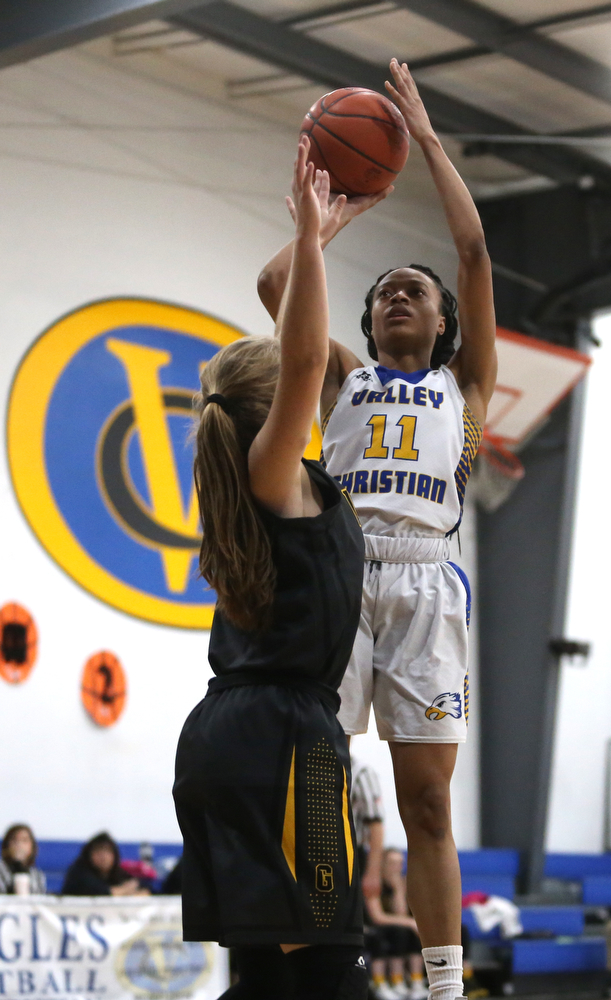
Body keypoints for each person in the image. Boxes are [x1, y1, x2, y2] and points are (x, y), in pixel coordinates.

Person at [257, 60, 497, 1000]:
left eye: (416, 291)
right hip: (343, 573)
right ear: (365, 318)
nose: (400, 294)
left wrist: (425, 141)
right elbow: (278, 285)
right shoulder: (340, 375)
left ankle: (441, 987)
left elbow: (474, 255)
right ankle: (313, 970)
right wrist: (327, 222)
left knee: (426, 802)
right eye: (386, 288)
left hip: (429, 583)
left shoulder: (463, 391)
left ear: (441, 326)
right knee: (315, 778)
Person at [173, 137, 368, 1000]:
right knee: (329, 972)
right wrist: (317, 248)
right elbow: (298, 354)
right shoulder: (272, 472)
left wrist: (314, 234)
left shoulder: (260, 480)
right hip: (289, 743)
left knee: (263, 974)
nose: (323, 367)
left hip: (228, 740)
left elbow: (271, 293)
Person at [61, 832, 148, 896]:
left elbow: (144, 887)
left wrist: (140, 893)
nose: (103, 856)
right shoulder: (78, 872)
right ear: (89, 855)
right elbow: (100, 892)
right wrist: (125, 890)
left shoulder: (116, 872)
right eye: (98, 851)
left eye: (107, 851)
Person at [0, 824, 46, 894]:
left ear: (32, 847)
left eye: (24, 840)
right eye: (14, 840)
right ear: (7, 845)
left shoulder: (37, 876)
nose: (19, 844)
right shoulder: (1, 871)